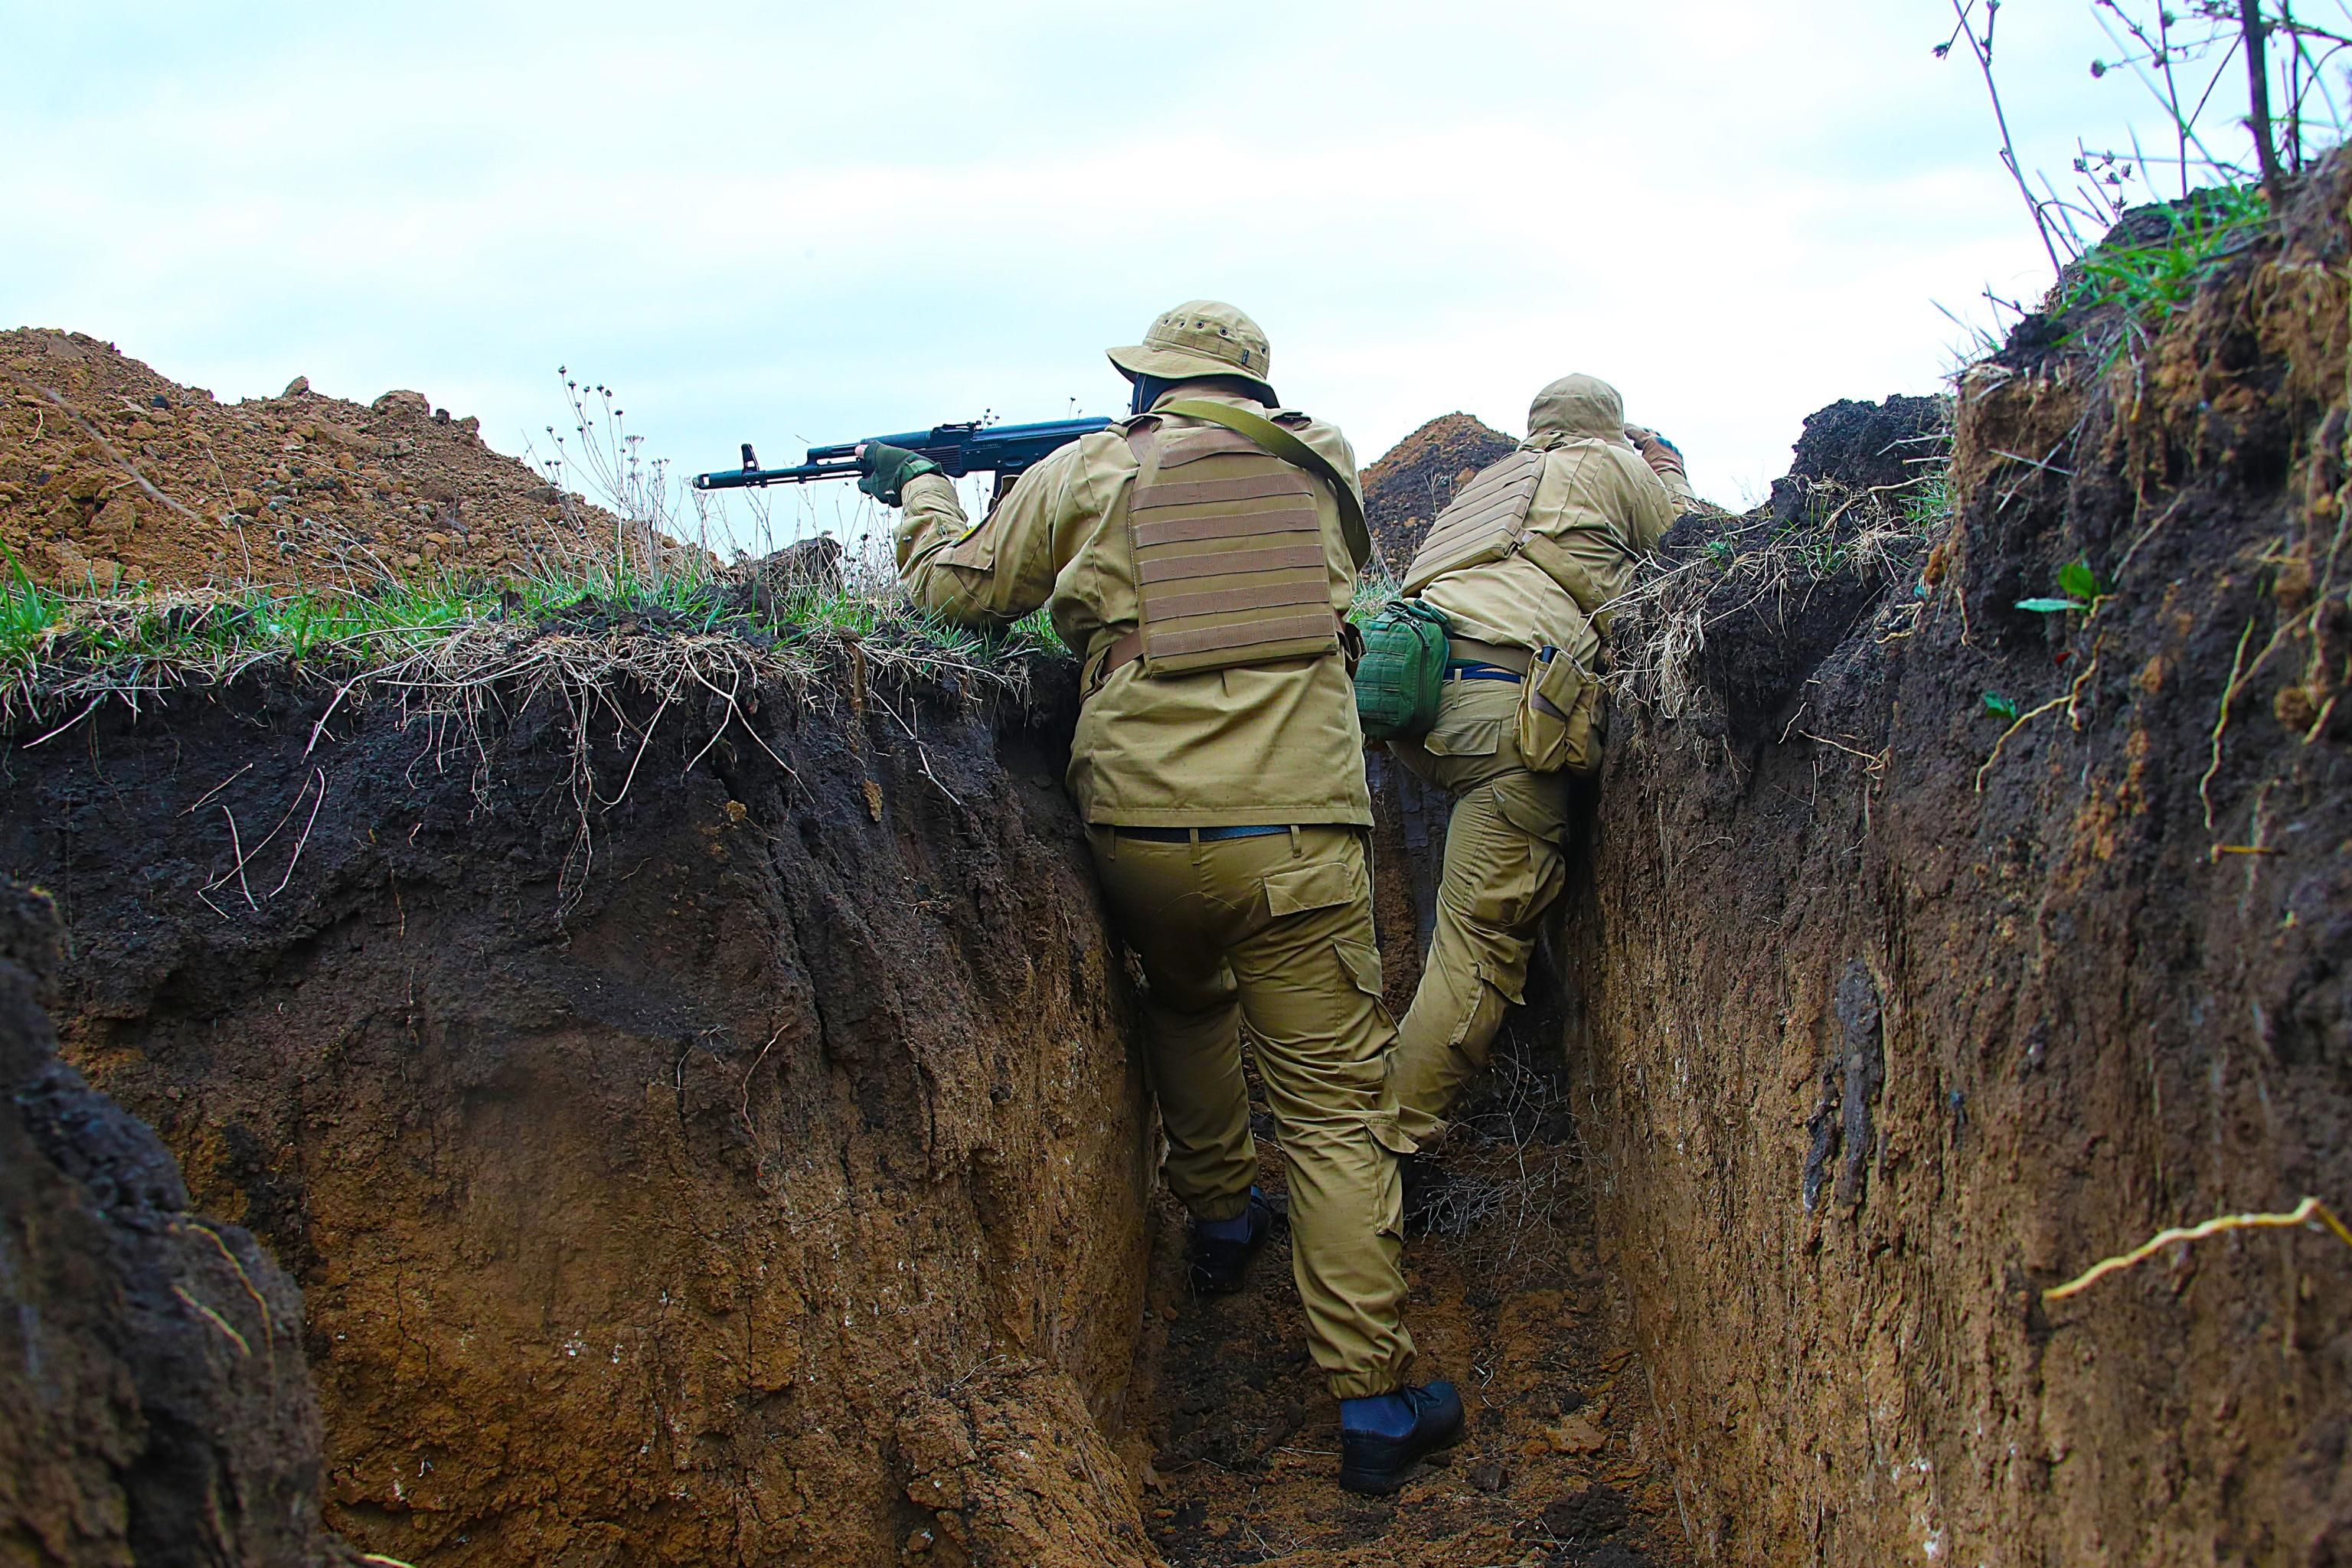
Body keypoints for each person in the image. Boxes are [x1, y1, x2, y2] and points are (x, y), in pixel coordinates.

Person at [867, 301, 1461, 1493]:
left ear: (1152, 384)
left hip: (1137, 826)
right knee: (1337, 1118)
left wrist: (929, 490)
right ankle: (1375, 1406)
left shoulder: (1089, 468)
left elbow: (951, 594)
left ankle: (1223, 1220)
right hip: (1296, 832)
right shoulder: (1325, 463)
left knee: (1186, 1010)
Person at [1385, 374, 1691, 1159]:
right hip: (1506, 717)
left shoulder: (1496, 484)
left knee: (1467, 895)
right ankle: (1387, 1147)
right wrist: (1667, 469)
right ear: (1609, 427)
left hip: (1417, 706)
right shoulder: (1609, 461)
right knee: (1477, 948)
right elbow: (1696, 552)